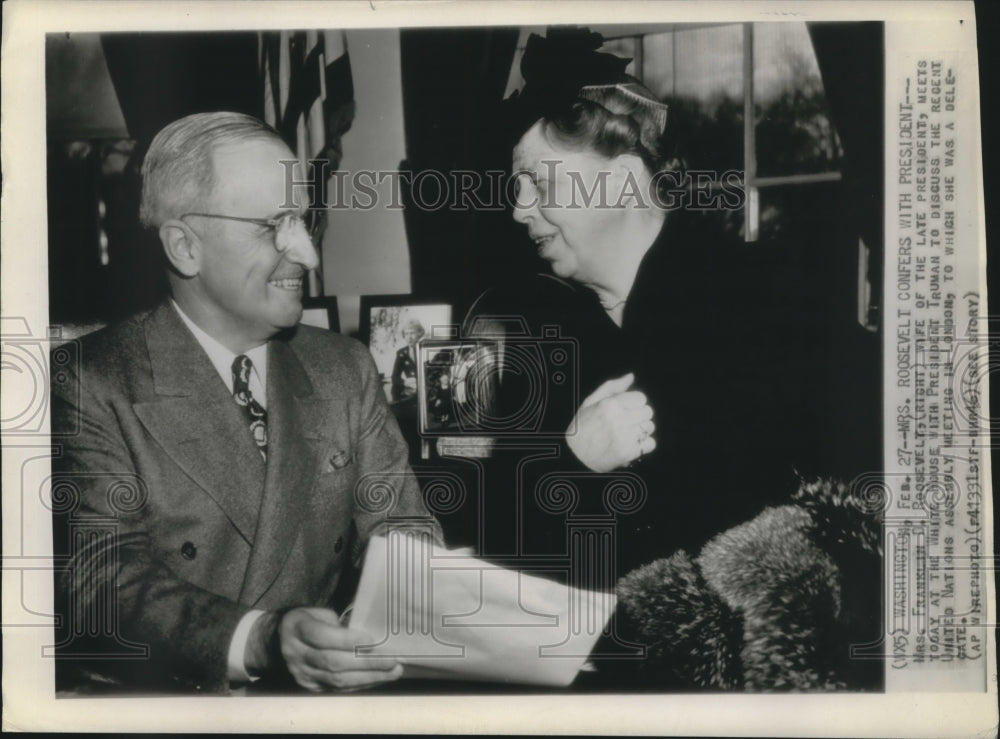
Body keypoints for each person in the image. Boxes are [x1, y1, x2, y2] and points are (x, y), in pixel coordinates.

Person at [50, 112, 441, 694]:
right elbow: (100, 576)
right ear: (184, 246)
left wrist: (429, 603)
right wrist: (260, 639)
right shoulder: (87, 381)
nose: (308, 253)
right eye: (274, 225)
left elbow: (401, 527)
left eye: (304, 220)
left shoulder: (344, 367)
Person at [500, 30, 801, 575]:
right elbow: (504, 546)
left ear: (623, 182)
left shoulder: (756, 309)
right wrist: (572, 462)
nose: (519, 211)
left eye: (536, 182)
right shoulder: (542, 335)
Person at [390, 319, 424, 401]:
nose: (409, 337)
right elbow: (394, 377)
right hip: (412, 394)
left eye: (412, 333)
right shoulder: (401, 353)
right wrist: (405, 382)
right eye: (406, 334)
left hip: (426, 393)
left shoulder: (425, 350)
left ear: (419, 334)